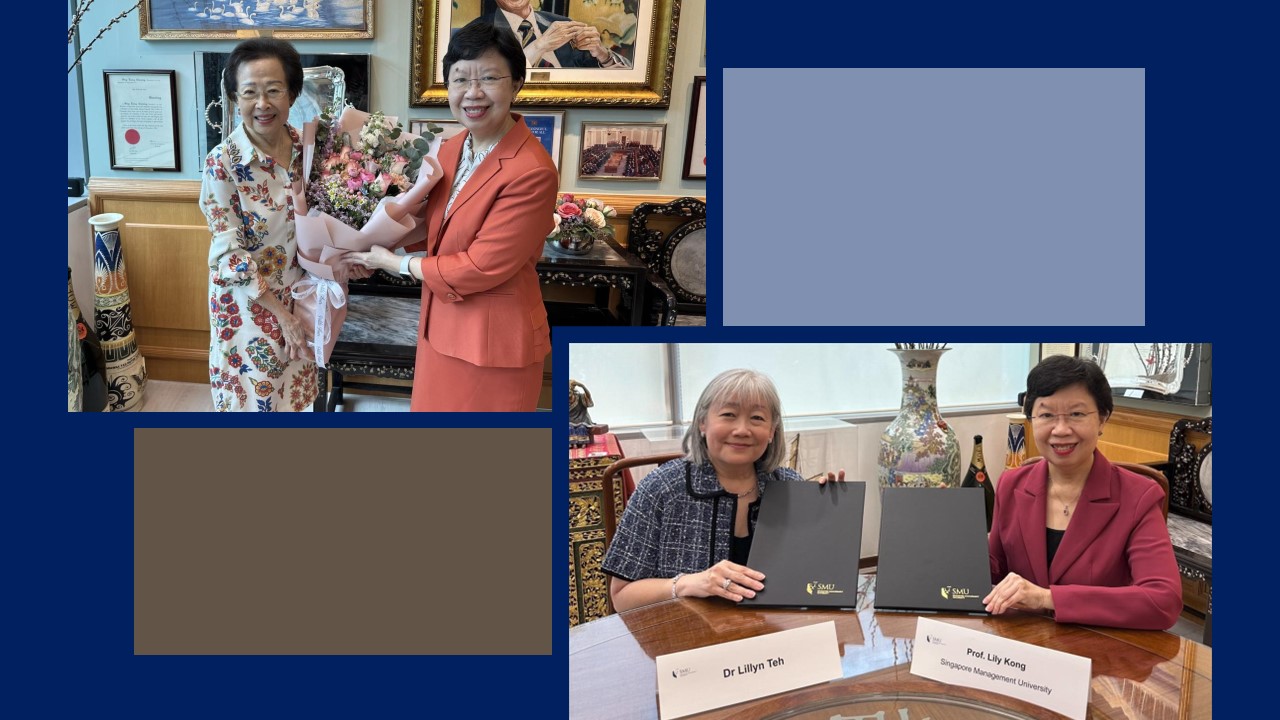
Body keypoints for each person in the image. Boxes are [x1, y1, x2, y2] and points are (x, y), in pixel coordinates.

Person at [343, 19, 557, 411]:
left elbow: (481, 266)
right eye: (460, 80)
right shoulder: (450, 147)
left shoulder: (532, 170)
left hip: (493, 344)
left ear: (517, 84)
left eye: (489, 78)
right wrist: (365, 250)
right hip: (438, 325)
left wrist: (393, 262)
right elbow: (432, 227)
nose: (472, 93)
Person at [602, 369, 845, 612]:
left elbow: (818, 581)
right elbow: (622, 597)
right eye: (729, 414)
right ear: (702, 423)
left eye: (757, 418)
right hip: (686, 639)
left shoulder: (790, 487)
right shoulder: (662, 488)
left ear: (772, 431)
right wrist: (686, 583)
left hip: (774, 635)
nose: (742, 430)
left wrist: (829, 512)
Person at [984, 355, 1183, 630]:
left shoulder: (1139, 496)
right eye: (1046, 415)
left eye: (1077, 414)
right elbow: (995, 569)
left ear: (1102, 419)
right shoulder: (1012, 484)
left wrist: (1048, 598)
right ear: (1031, 420)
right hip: (1021, 650)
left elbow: (1163, 601)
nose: (1061, 429)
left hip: (1101, 657)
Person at [201, 38, 317, 412]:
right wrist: (280, 316)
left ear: (293, 94)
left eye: (273, 90)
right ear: (236, 99)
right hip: (249, 307)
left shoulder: (308, 150)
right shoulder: (222, 162)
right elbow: (227, 253)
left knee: (297, 394)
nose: (262, 104)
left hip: (301, 298)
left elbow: (327, 222)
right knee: (256, 400)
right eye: (250, 92)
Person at [492, 0, 631, 68]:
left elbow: (626, 78)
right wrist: (539, 46)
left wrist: (603, 55)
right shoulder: (478, 32)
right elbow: (491, 78)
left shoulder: (564, 24)